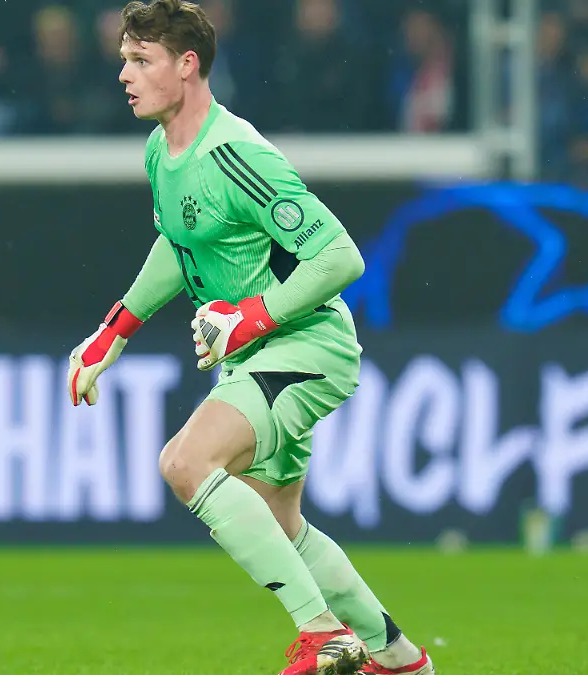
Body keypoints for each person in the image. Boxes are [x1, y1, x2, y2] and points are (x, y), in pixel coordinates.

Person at [65, 2, 436, 674]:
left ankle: (322, 633)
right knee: (281, 523)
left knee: (185, 462)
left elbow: (340, 256)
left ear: (187, 65)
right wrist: (112, 331)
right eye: (124, 58)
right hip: (260, 352)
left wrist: (250, 315)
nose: (124, 73)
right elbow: (180, 244)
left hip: (308, 345)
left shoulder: (236, 154)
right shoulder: (161, 149)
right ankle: (402, 660)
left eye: (140, 59)